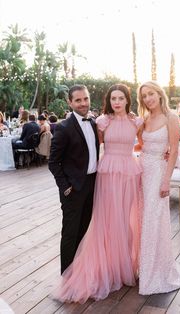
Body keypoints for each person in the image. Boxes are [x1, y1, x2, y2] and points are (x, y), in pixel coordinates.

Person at [53, 83, 143, 303]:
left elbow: (143, 143)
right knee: (94, 225)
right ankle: (69, 275)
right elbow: (62, 159)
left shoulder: (134, 121)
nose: (117, 102)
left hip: (125, 174)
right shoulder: (99, 122)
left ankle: (120, 267)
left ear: (127, 100)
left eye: (121, 98)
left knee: (123, 222)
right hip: (100, 176)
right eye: (114, 98)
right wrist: (65, 185)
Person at [48, 85, 100, 275]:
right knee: (70, 233)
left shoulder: (94, 123)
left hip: (93, 185)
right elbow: (53, 162)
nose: (83, 103)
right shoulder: (64, 127)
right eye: (78, 100)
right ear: (70, 102)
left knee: (84, 230)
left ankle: (78, 272)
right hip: (73, 188)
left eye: (85, 99)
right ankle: (67, 276)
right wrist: (65, 187)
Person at [137, 81, 180, 295]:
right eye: (144, 96)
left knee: (153, 221)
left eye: (151, 94)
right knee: (142, 220)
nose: (148, 99)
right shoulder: (145, 119)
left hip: (157, 174)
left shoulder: (171, 118)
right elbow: (140, 144)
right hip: (141, 172)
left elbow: (173, 151)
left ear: (159, 93)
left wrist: (166, 180)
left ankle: (156, 273)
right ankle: (144, 268)